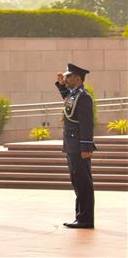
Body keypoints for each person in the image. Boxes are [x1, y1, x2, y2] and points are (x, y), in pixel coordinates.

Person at [55, 63, 96, 229]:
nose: (65, 78)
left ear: (78, 78)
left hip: (79, 147)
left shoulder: (84, 97)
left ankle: (86, 219)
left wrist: (86, 148)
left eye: (68, 76)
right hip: (72, 145)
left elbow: (87, 124)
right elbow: (68, 101)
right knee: (77, 181)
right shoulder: (74, 95)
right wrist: (60, 85)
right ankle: (80, 217)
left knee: (83, 182)